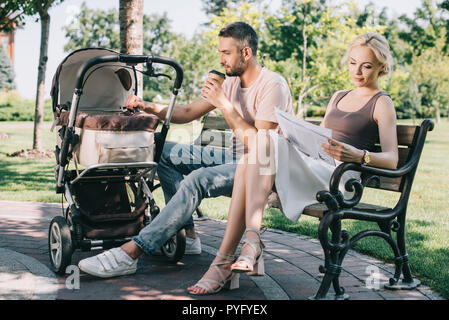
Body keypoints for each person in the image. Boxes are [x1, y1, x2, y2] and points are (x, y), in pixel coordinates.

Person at [186, 32, 398, 295]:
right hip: (315, 166)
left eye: (366, 66)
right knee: (258, 149)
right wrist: (297, 136)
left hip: (340, 178)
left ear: (381, 67)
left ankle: (227, 261)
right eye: (353, 63)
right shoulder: (339, 96)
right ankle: (249, 243)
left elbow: (392, 159)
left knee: (259, 147)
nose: (358, 71)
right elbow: (319, 139)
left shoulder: (382, 103)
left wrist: (359, 156)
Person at [77, 22, 293, 278]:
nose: (221, 59)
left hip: (263, 167)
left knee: (197, 180)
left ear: (246, 53)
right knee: (162, 150)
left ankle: (132, 252)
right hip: (235, 158)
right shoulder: (232, 83)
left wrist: (224, 104)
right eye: (220, 52)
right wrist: (145, 105)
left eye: (227, 53)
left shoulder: (272, 86)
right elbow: (188, 113)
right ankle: (188, 234)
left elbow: (260, 147)